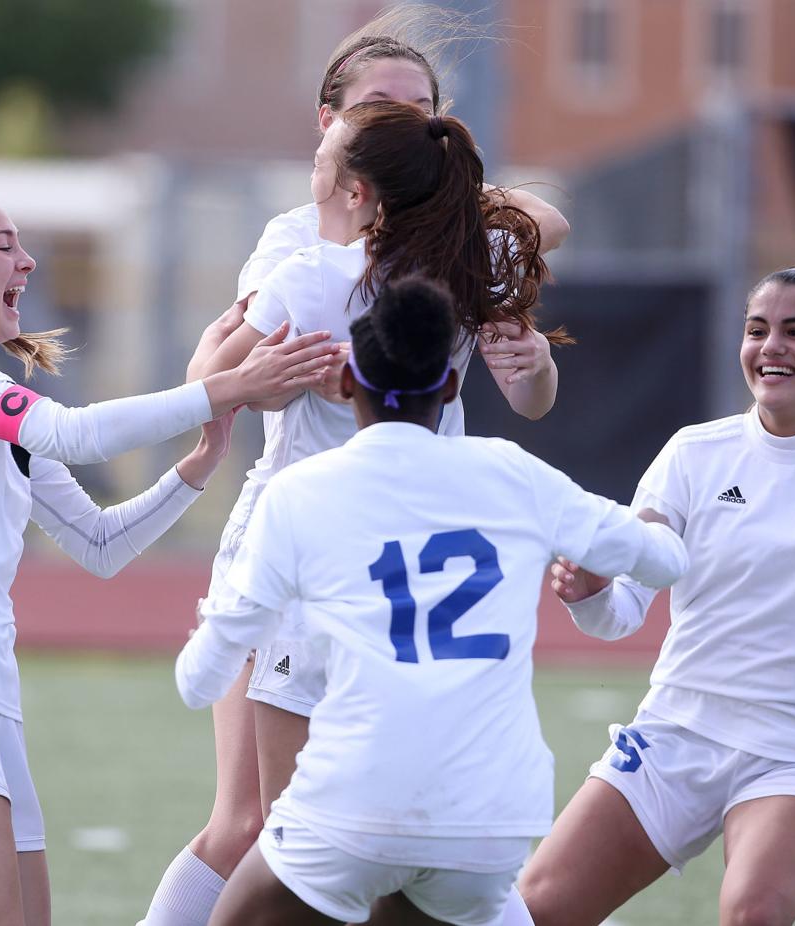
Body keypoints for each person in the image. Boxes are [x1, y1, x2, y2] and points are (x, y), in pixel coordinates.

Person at [142, 11, 570, 921]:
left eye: (421, 111)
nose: (403, 123)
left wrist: (534, 367)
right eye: (380, 108)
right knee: (257, 824)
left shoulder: (466, 240)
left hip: (411, 556)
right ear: (329, 124)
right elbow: (212, 378)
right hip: (300, 541)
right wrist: (249, 378)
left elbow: (548, 241)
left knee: (403, 827)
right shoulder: (300, 243)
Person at [0, 188, 338, 926]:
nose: (27, 261)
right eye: (5, 245)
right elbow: (72, 433)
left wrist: (199, 464)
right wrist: (224, 387)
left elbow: (99, 544)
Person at [173, 275, 687, 926]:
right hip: (491, 821)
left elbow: (199, 682)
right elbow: (668, 560)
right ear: (449, 386)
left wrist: (212, 634)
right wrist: (618, 544)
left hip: (352, 810)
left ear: (346, 382)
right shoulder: (515, 474)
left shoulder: (300, 490)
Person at [517, 259, 795, 926]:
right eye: (757, 329)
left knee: (753, 914)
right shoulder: (694, 453)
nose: (771, 346)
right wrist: (590, 592)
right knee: (535, 909)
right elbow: (620, 615)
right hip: (677, 733)